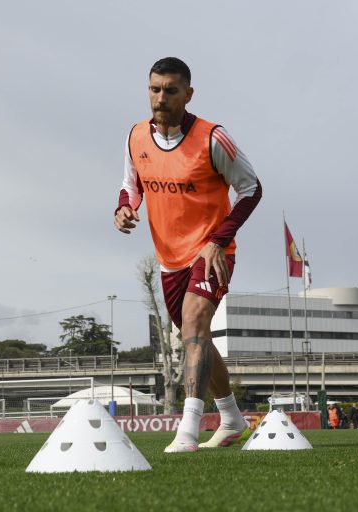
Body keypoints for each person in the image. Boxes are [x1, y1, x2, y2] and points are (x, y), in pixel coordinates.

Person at [115, 57, 263, 452]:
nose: (160, 97)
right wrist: (124, 208)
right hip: (169, 260)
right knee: (194, 337)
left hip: (213, 251)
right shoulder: (135, 136)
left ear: (188, 94)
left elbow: (251, 190)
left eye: (170, 90)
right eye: (154, 89)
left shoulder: (213, 137)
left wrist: (219, 239)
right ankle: (232, 418)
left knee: (195, 324)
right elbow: (132, 186)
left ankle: (188, 429)